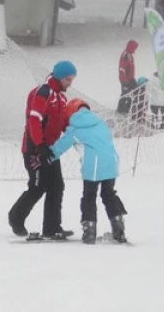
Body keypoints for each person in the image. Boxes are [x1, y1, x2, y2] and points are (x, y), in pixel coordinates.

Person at [7, 60, 77, 240]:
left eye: (72, 79)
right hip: (35, 149)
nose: (70, 82)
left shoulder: (61, 97)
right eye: (68, 79)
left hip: (51, 150)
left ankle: (52, 228)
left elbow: (60, 123)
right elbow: (34, 120)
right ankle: (15, 218)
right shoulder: (43, 92)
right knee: (38, 186)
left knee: (57, 186)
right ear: (60, 77)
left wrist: (76, 130)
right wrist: (40, 145)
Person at [51, 99, 127, 244]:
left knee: (89, 197)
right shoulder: (101, 124)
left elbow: (60, 147)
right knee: (109, 194)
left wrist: (46, 157)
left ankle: (89, 232)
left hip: (93, 166)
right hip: (112, 163)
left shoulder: (74, 129)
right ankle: (119, 229)